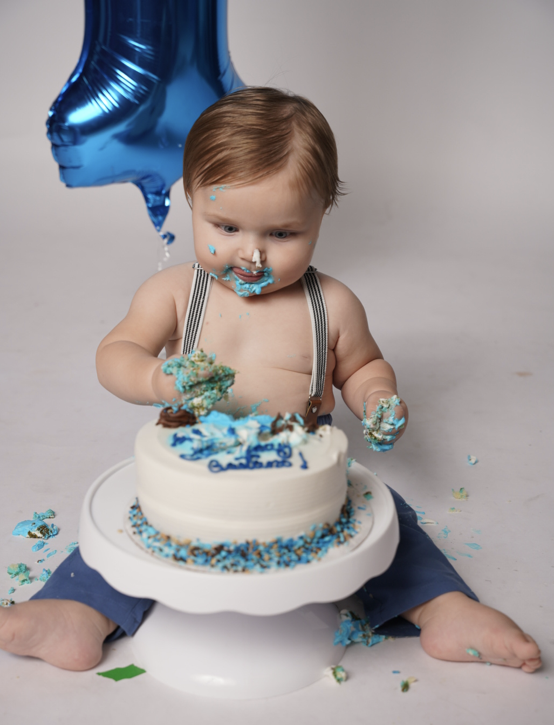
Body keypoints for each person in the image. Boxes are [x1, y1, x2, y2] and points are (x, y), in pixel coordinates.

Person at [0, 88, 541, 673]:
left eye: (282, 235)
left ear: (319, 216)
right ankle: (76, 613)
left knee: (389, 524)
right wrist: (157, 379)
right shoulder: (175, 293)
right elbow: (116, 354)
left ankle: (443, 609)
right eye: (227, 226)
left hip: (300, 472)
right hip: (192, 467)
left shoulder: (331, 304)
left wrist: (377, 398)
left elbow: (362, 366)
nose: (251, 255)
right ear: (191, 200)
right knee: (136, 526)